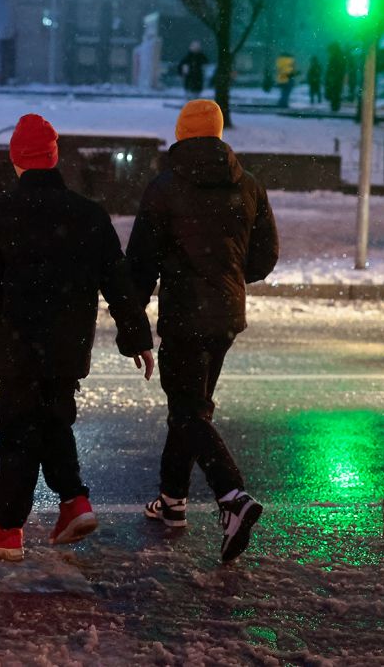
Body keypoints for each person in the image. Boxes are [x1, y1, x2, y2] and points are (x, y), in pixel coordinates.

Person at [0, 114, 154, 562]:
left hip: (17, 344)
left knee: (16, 431)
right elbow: (119, 282)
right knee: (52, 421)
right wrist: (137, 337)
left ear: (16, 160)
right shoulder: (88, 213)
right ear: (54, 157)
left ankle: (10, 528)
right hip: (68, 347)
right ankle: (73, 502)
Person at [126, 99, 279, 563]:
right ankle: (172, 502)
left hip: (185, 316)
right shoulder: (248, 185)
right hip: (226, 316)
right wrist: (229, 277)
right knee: (191, 408)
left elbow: (141, 263)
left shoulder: (165, 188)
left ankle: (232, 495)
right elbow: (264, 257)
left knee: (190, 412)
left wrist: (132, 317)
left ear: (181, 134)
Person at [326, 42, 348, 113]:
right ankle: (335, 106)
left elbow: (334, 68)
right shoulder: (339, 56)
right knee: (336, 93)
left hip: (335, 78)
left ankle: (335, 107)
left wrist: (331, 77)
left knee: (335, 93)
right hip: (337, 78)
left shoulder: (336, 57)